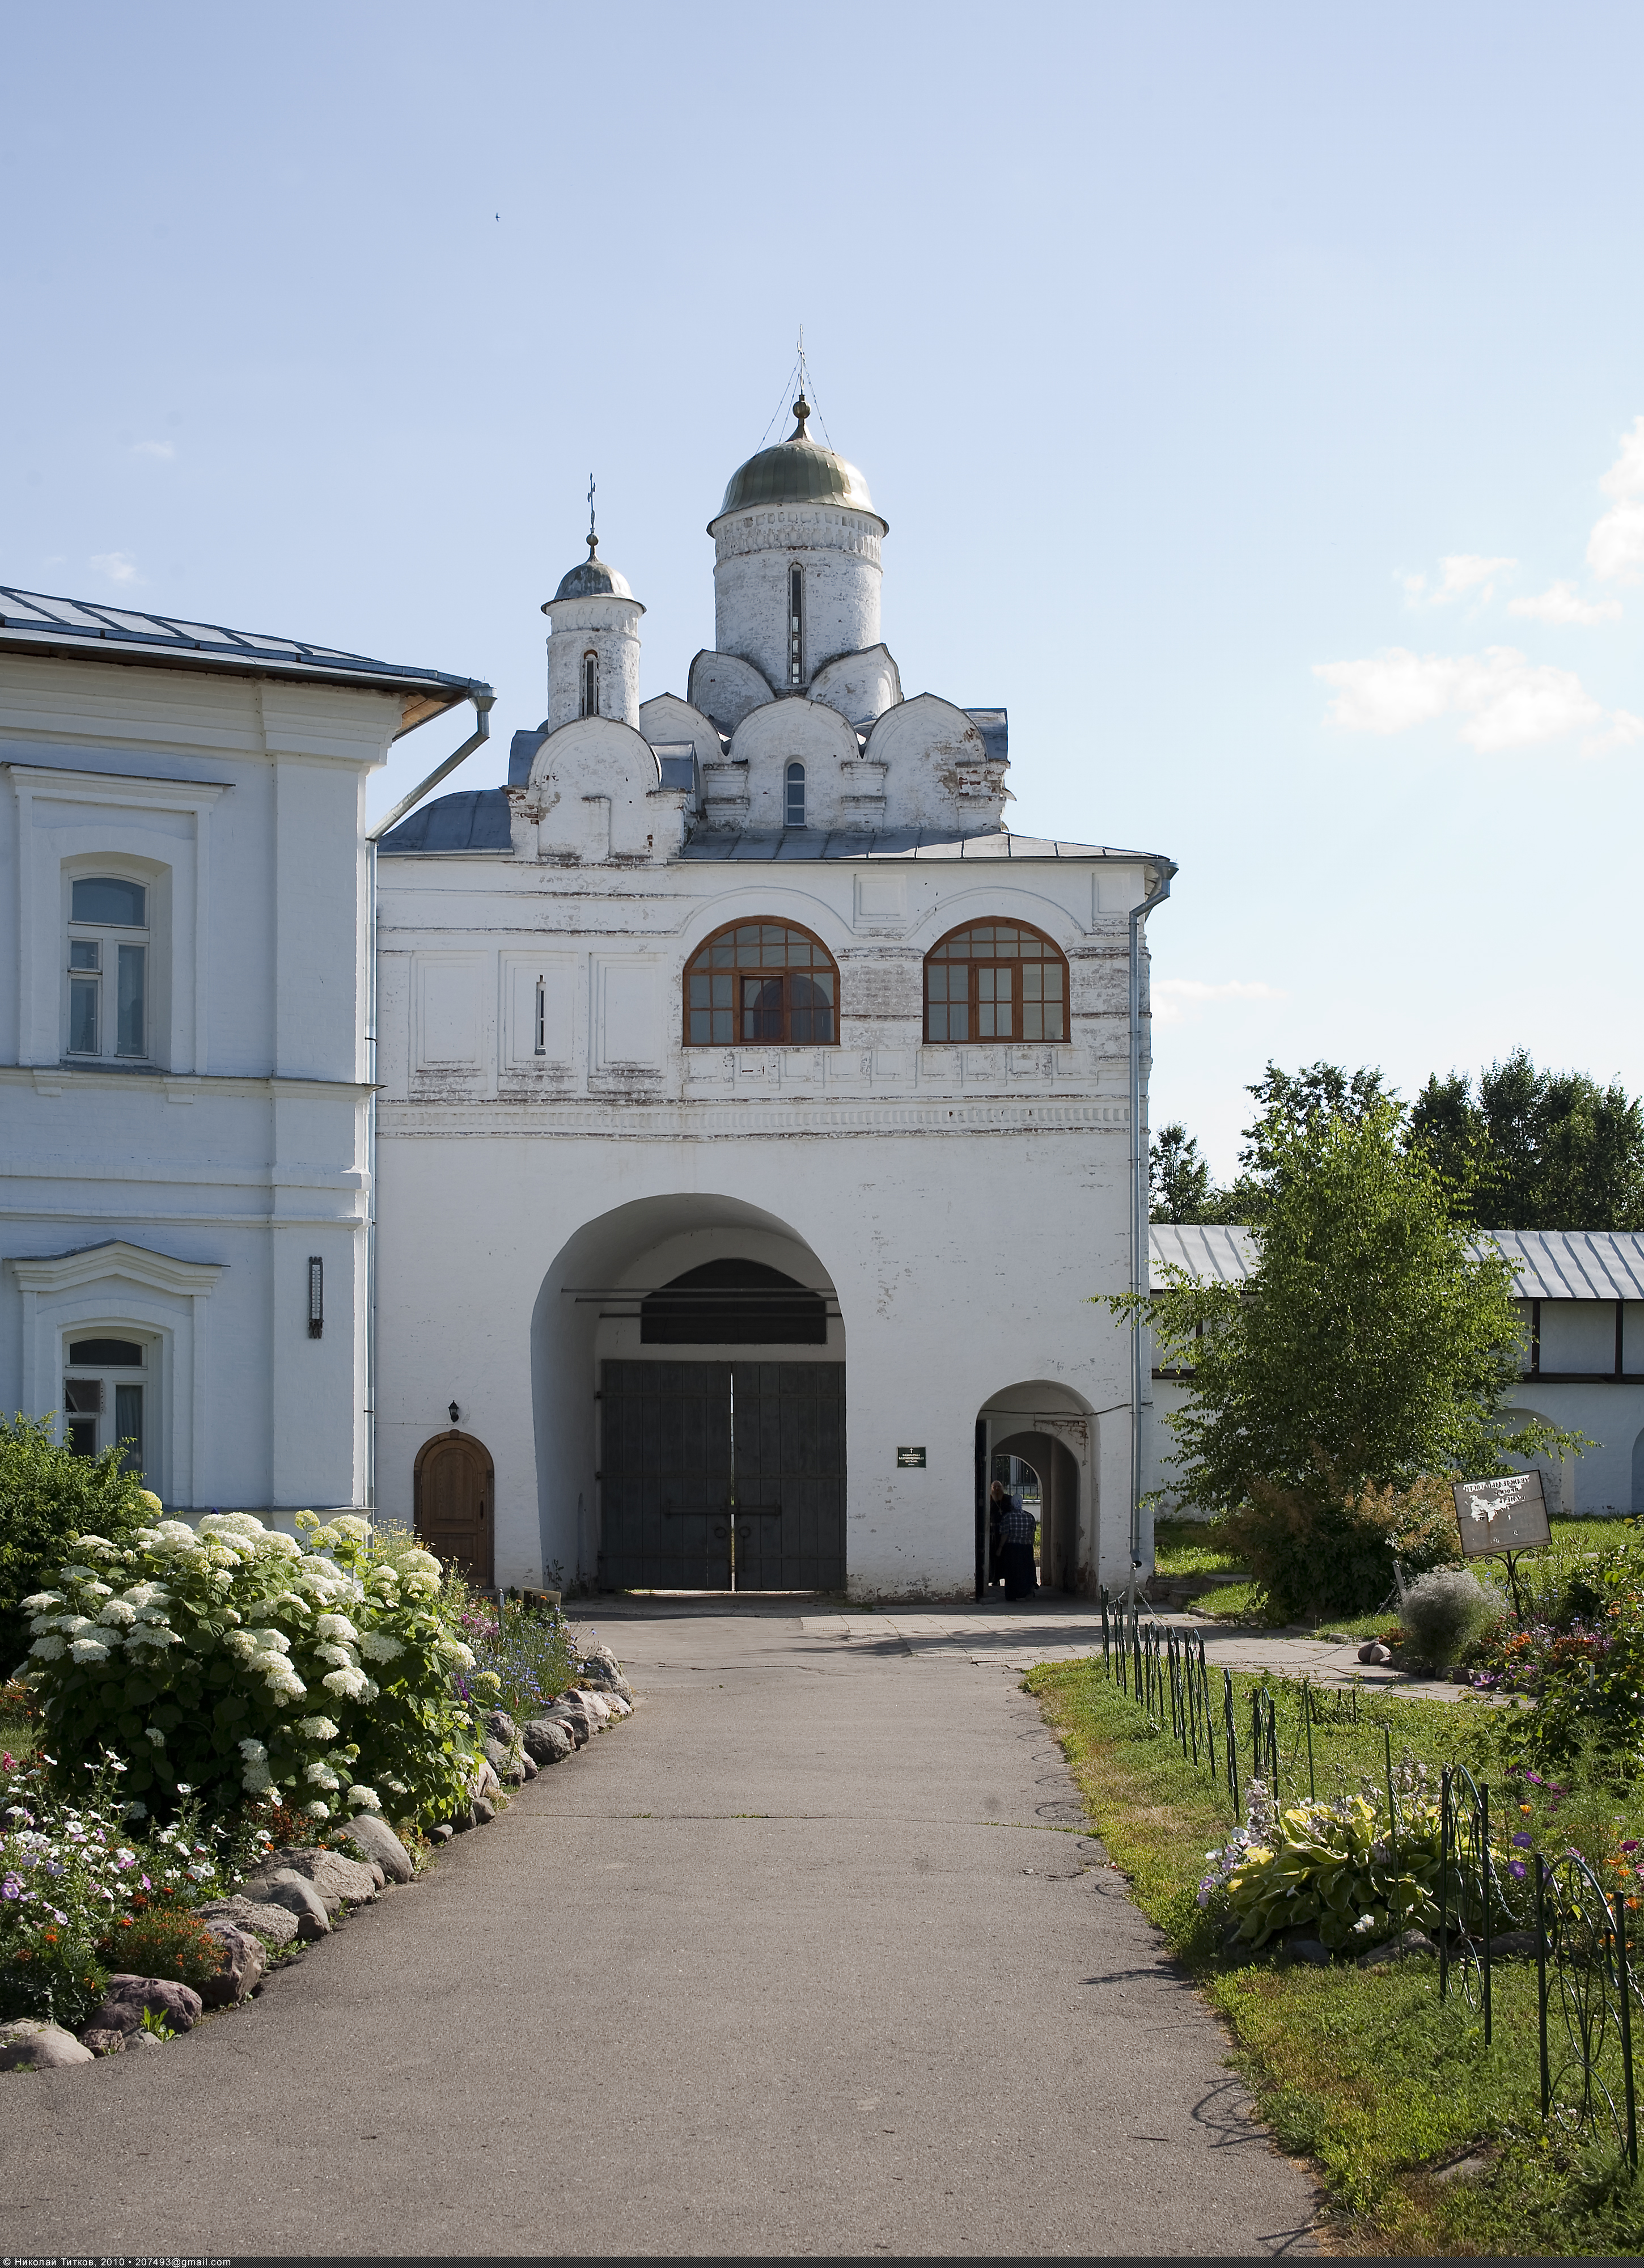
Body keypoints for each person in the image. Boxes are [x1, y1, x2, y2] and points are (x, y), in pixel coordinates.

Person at [996, 1482, 1037, 1602]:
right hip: (1026, 1548)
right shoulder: (1030, 1517)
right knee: (1026, 1570)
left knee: (1012, 1571)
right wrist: (1030, 1546)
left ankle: (1012, 1594)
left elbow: (1005, 1534)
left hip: (1012, 1548)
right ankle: (1028, 1591)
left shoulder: (1008, 1517)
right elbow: (1032, 1534)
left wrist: (1000, 1548)